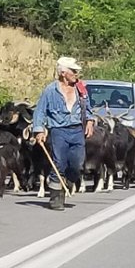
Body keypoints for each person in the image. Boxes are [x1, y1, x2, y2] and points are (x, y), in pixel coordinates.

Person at [29, 57, 94, 210]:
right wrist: (39, 129)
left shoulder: (80, 88)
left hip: (77, 130)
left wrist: (90, 121)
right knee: (58, 163)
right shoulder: (50, 90)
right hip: (59, 131)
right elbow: (40, 111)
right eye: (73, 71)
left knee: (77, 164)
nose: (76, 74)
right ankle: (56, 198)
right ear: (63, 73)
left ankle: (69, 181)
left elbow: (88, 108)